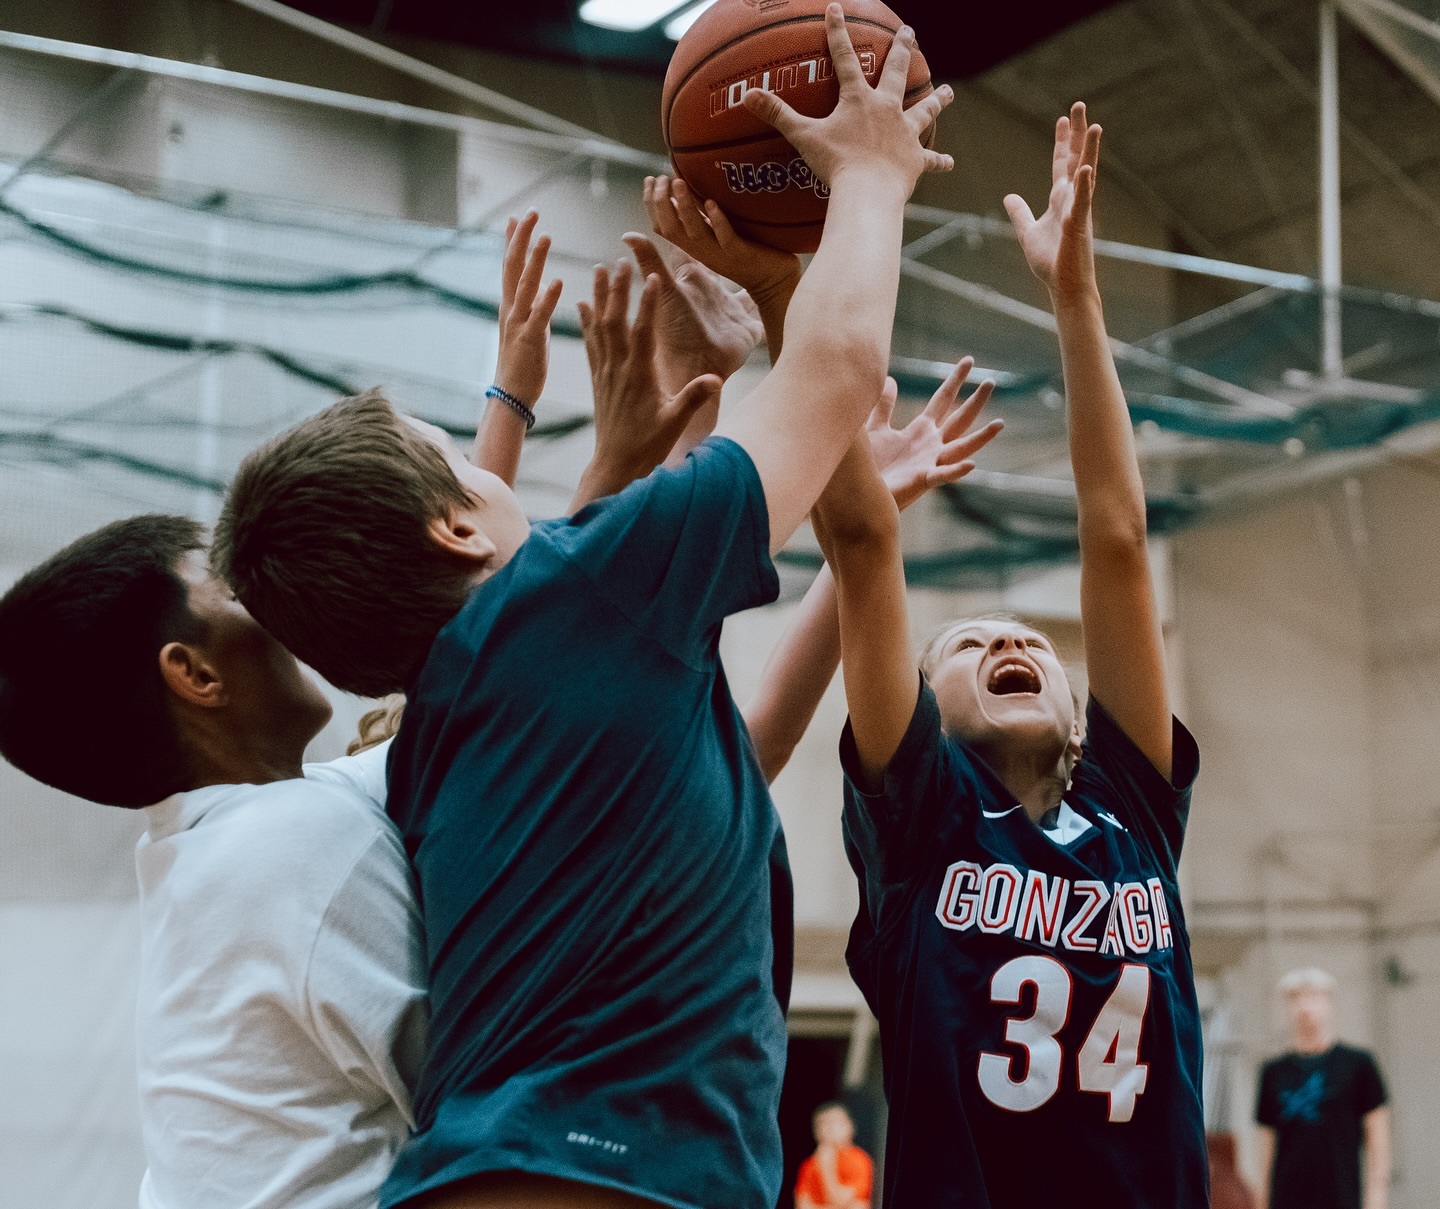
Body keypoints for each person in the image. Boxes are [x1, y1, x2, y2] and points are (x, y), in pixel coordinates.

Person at [210, 11, 953, 1209]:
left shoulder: (453, 722)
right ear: (458, 528)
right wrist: (867, 177)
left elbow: (695, 708)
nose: (493, 464)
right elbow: (838, 370)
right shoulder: (577, 600)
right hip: (593, 1179)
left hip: (522, 1173)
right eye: (467, 459)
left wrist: (760, 310)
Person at [0, 213, 566, 1209]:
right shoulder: (300, 851)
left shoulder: (237, 842)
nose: (273, 606)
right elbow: (491, 1075)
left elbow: (471, 646)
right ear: (196, 675)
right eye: (234, 595)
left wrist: (508, 407)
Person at [808, 103, 1207, 1209]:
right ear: (924, 713)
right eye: (969, 644)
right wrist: (817, 249)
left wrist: (1075, 299)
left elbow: (1119, 540)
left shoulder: (1135, 810)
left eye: (1027, 640)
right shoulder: (923, 816)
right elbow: (859, 541)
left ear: (1084, 719)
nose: (1009, 638)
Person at [1254, 968, 1390, 1209]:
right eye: (1296, 997)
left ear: (1329, 1002)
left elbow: (1378, 1140)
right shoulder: (1273, 1072)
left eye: (1314, 996)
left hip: (1342, 1197)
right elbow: (1266, 1149)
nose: (1305, 1006)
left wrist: (1375, 1200)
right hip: (1286, 1199)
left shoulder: (1358, 1064)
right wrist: (1262, 1201)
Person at [795, 1103, 873, 1209]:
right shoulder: (809, 1165)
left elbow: (843, 1200)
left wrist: (827, 1166)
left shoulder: (859, 1159)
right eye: (821, 1124)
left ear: (850, 1126)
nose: (828, 1129)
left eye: (834, 1123)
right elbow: (802, 1205)